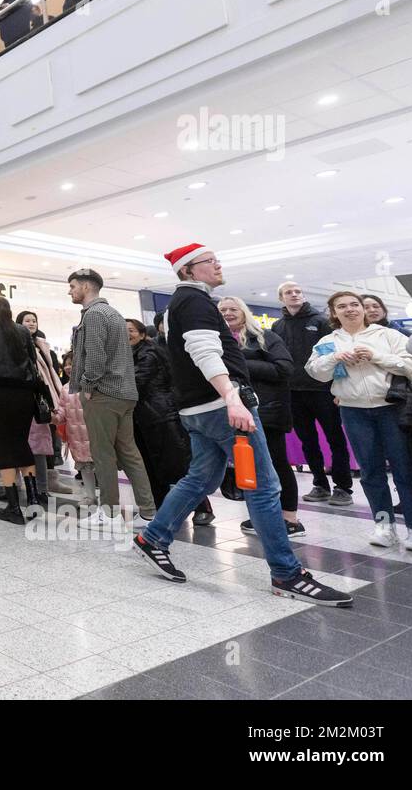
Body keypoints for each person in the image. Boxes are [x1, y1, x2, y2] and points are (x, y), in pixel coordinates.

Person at [133, 244, 351, 606]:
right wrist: (232, 397)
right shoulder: (196, 302)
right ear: (189, 270)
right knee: (264, 487)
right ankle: (286, 573)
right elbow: (204, 351)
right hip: (220, 406)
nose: (218, 265)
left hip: (198, 409)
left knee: (201, 478)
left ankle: (153, 537)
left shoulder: (178, 305)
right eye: (210, 261)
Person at [306, 292, 412, 552]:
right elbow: (315, 373)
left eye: (355, 305)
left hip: (392, 409)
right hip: (353, 411)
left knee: (406, 470)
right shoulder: (328, 341)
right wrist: (334, 358)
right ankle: (384, 527)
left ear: (363, 309)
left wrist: (377, 356)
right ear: (334, 312)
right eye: (342, 306)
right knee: (370, 471)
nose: (350, 310)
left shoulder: (387, 335)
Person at [67, 268, 157, 529]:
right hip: (124, 393)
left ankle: (108, 513)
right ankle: (149, 511)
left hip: (103, 394)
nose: (70, 291)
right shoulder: (114, 314)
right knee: (129, 453)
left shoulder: (94, 314)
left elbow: (95, 356)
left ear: (86, 286)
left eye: (73, 286)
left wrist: (87, 385)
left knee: (103, 453)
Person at [218, 297, 302, 536]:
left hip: (268, 411)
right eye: (222, 310)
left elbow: (284, 369)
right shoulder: (217, 341)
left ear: (244, 312)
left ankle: (291, 519)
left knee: (276, 463)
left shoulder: (265, 337)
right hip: (235, 413)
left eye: (233, 309)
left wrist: (239, 364)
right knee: (251, 468)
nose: (228, 313)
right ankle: (262, 517)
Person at [126, 318, 215, 526]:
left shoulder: (149, 354)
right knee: (150, 467)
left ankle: (203, 507)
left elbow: (134, 382)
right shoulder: (124, 356)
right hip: (139, 419)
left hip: (161, 416)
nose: (126, 334)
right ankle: (160, 508)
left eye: (130, 330)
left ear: (141, 334)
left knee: (178, 464)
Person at [272, 281, 354, 505]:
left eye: (298, 291)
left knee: (335, 438)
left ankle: (343, 487)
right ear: (282, 298)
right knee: (307, 441)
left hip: (323, 391)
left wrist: (339, 388)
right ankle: (320, 484)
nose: (294, 294)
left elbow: (335, 357)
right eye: (289, 292)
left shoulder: (321, 322)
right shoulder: (277, 327)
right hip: (294, 393)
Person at [0, 297, 44, 523]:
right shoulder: (22, 331)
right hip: (22, 395)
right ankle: (33, 502)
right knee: (22, 443)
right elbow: (32, 361)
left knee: (2, 447)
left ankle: (13, 507)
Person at [18, 311, 73, 497]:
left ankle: (48, 482)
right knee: (34, 442)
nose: (31, 323)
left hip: (47, 397)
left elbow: (51, 371)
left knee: (48, 438)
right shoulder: (17, 344)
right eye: (27, 321)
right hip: (27, 397)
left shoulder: (43, 345)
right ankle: (32, 485)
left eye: (34, 320)